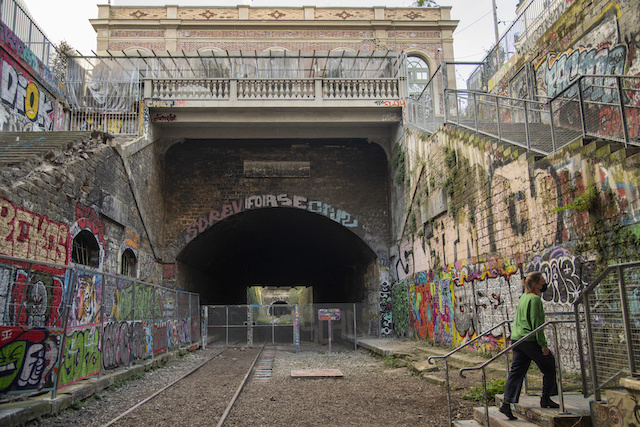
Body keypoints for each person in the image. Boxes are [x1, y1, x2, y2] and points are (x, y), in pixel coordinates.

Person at [499, 271, 559, 420]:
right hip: (529, 340)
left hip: (517, 339)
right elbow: (537, 324)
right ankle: (546, 398)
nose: (544, 285)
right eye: (542, 283)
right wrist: (543, 345)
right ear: (535, 285)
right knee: (550, 366)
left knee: (516, 372)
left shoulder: (524, 298)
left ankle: (506, 403)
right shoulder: (535, 300)